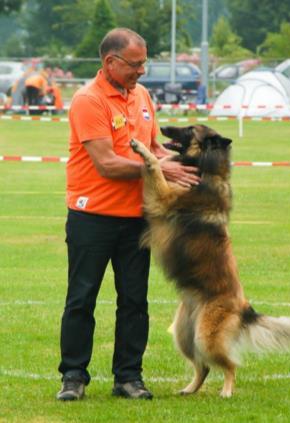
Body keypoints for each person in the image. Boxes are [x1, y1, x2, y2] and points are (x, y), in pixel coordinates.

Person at [56, 27, 200, 402]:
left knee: (135, 300)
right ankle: (73, 377)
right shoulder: (89, 100)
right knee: (81, 297)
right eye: (135, 64)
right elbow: (106, 163)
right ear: (110, 62)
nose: (141, 71)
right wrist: (160, 168)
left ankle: (129, 378)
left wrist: (189, 166)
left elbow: (152, 147)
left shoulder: (142, 95)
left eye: (143, 63)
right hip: (93, 217)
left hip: (138, 218)